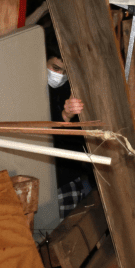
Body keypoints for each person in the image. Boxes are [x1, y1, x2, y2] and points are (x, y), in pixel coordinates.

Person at [45, 33, 93, 217]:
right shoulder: (29, 87)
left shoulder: (71, 88)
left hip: (71, 176)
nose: (59, 76)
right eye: (55, 68)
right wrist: (64, 116)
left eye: (65, 72)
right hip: (48, 177)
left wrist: (68, 117)